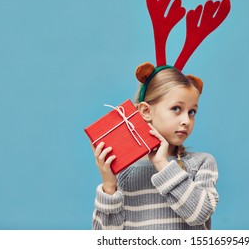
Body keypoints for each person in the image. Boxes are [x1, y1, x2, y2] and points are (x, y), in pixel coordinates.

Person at [90, 66, 218, 230]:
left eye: (192, 112)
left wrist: (162, 164)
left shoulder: (201, 163)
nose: (186, 120)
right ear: (145, 111)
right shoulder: (124, 170)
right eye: (176, 109)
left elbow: (199, 214)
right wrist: (109, 186)